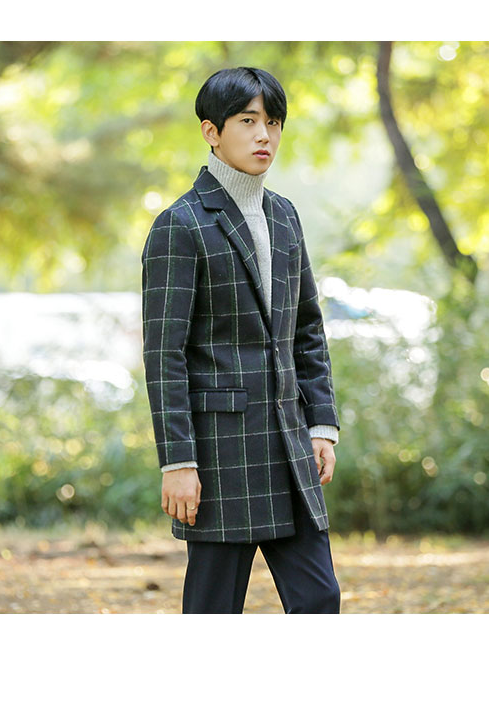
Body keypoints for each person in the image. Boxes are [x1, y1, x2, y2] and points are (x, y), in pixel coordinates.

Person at [141, 66, 342, 613]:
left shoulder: (285, 216)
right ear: (211, 131)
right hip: (220, 457)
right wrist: (178, 462)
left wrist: (321, 424)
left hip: (290, 446)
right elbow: (164, 356)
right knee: (214, 608)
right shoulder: (179, 225)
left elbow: (306, 328)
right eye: (248, 121)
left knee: (319, 599)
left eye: (273, 123)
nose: (264, 136)